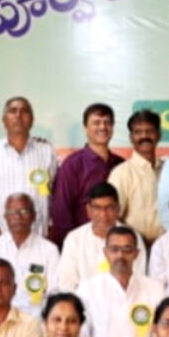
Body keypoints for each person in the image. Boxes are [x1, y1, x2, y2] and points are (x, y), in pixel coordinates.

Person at [76, 226, 165, 337]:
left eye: (127, 249)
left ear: (136, 254)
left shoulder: (155, 289)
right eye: (114, 249)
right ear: (105, 253)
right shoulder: (88, 290)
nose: (120, 256)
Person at [0, 96, 58, 240]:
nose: (18, 115)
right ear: (4, 120)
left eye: (24, 111)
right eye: (13, 111)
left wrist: (46, 238)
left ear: (32, 120)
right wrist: (3, 242)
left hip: (39, 241)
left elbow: (54, 198)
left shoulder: (46, 151)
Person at [50, 103, 121, 245]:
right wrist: (72, 244)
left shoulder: (121, 164)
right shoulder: (73, 165)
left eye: (107, 122)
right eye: (96, 123)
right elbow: (61, 211)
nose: (102, 127)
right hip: (83, 245)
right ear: (85, 128)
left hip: (118, 244)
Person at [56, 182, 146, 293]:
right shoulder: (74, 239)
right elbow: (66, 284)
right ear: (88, 210)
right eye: (97, 208)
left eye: (109, 208)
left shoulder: (132, 237)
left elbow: (137, 280)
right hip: (83, 301)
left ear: (118, 209)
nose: (104, 215)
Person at [0, 193, 58, 315]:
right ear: (5, 217)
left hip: (36, 317)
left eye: (24, 211)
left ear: (33, 216)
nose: (18, 217)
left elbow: (54, 292)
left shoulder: (49, 250)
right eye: (12, 212)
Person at [115, 109, 165, 243]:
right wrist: (137, 242)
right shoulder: (121, 173)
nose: (144, 136)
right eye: (138, 132)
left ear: (159, 135)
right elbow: (113, 217)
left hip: (168, 247)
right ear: (131, 137)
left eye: (150, 131)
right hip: (134, 248)